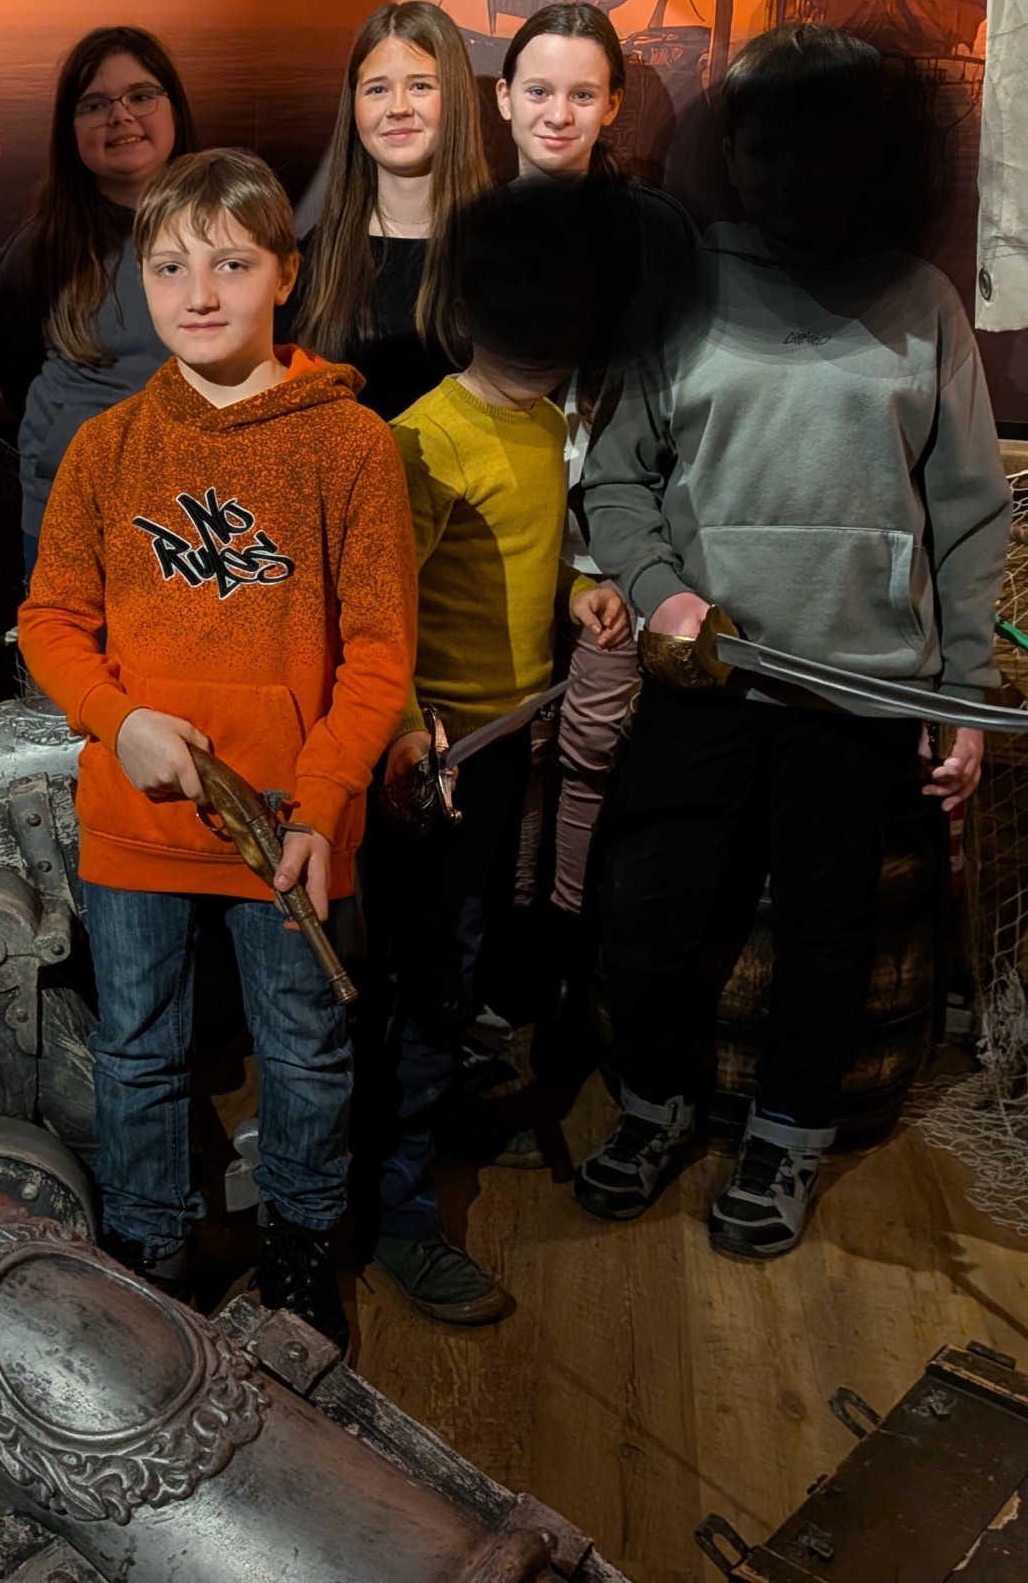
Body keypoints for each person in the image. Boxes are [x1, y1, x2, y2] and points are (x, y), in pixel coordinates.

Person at [575, 23, 1008, 1258]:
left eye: (819, 148)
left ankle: (788, 1135)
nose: (789, 174)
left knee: (828, 935)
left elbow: (968, 515)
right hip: (706, 681)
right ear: (735, 155)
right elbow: (617, 481)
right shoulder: (681, 293)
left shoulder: (922, 304)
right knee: (646, 912)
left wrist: (963, 696)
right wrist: (661, 591)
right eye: (764, 149)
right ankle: (652, 1104)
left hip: (859, 692)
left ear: (864, 155)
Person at [18, 147, 418, 1345]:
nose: (198, 294)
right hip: (135, 818)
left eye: (231, 266)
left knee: (302, 1049)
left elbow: (379, 655)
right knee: (137, 1049)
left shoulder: (348, 445)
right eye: (169, 267)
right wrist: (118, 718)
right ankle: (150, 1244)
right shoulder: (108, 447)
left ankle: (300, 1248)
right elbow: (50, 619)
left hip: (288, 824)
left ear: (284, 274)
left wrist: (324, 801)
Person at [363, 178, 642, 1326]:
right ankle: (395, 1209)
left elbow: (534, 546)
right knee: (431, 974)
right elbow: (377, 607)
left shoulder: (535, 422)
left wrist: (578, 590)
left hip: (496, 749)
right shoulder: (424, 440)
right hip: (435, 761)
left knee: (462, 961)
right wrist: (404, 729)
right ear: (470, 311)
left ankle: (425, 1124)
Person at [494, 3, 696, 924]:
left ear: (613, 104)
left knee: (594, 743)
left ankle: (570, 938)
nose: (558, 114)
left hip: (614, 529)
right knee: (517, 744)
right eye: (539, 91)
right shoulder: (476, 226)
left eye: (583, 94)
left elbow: (686, 388)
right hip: (509, 527)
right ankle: (513, 940)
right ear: (505, 97)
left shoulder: (655, 229)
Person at [0, 26, 200, 583]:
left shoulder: (231, 233)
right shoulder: (39, 251)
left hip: (199, 512)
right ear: (70, 130)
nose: (121, 116)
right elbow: (16, 372)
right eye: (94, 105)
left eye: (141, 95)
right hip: (73, 514)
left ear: (174, 106)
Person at [290, 0, 493, 421]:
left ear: (456, 96)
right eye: (377, 89)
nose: (398, 108)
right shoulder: (316, 255)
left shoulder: (505, 248)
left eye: (420, 86)